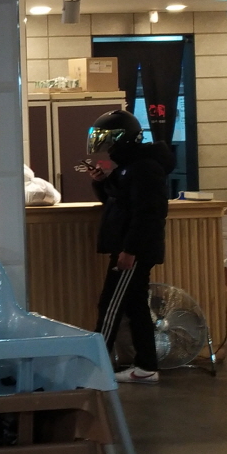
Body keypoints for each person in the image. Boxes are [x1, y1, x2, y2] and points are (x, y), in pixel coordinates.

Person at [85, 108, 175, 384]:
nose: (103, 142)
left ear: (124, 138)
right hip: (129, 247)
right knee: (135, 307)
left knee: (110, 306)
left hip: (133, 250)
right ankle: (146, 366)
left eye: (108, 136)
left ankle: (96, 367)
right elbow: (117, 201)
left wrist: (130, 251)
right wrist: (101, 182)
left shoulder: (144, 167)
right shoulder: (127, 165)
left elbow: (148, 214)